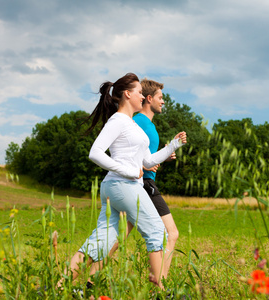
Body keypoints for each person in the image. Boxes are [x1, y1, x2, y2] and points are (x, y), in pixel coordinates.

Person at [60, 73, 187, 291]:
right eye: (139, 92)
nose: (142, 96)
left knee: (102, 240)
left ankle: (60, 287)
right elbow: (95, 152)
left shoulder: (132, 125)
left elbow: (146, 161)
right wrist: (128, 171)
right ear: (128, 94)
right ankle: (161, 292)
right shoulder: (117, 120)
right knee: (157, 232)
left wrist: (172, 146)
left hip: (120, 187)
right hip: (123, 185)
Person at [133, 78, 179, 280]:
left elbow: (146, 156)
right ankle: (160, 281)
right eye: (160, 98)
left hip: (146, 181)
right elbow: (126, 150)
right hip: (144, 183)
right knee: (171, 233)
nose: (163, 102)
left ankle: (89, 279)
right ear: (149, 98)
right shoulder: (139, 121)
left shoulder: (149, 125)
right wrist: (143, 166)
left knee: (115, 237)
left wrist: (164, 156)